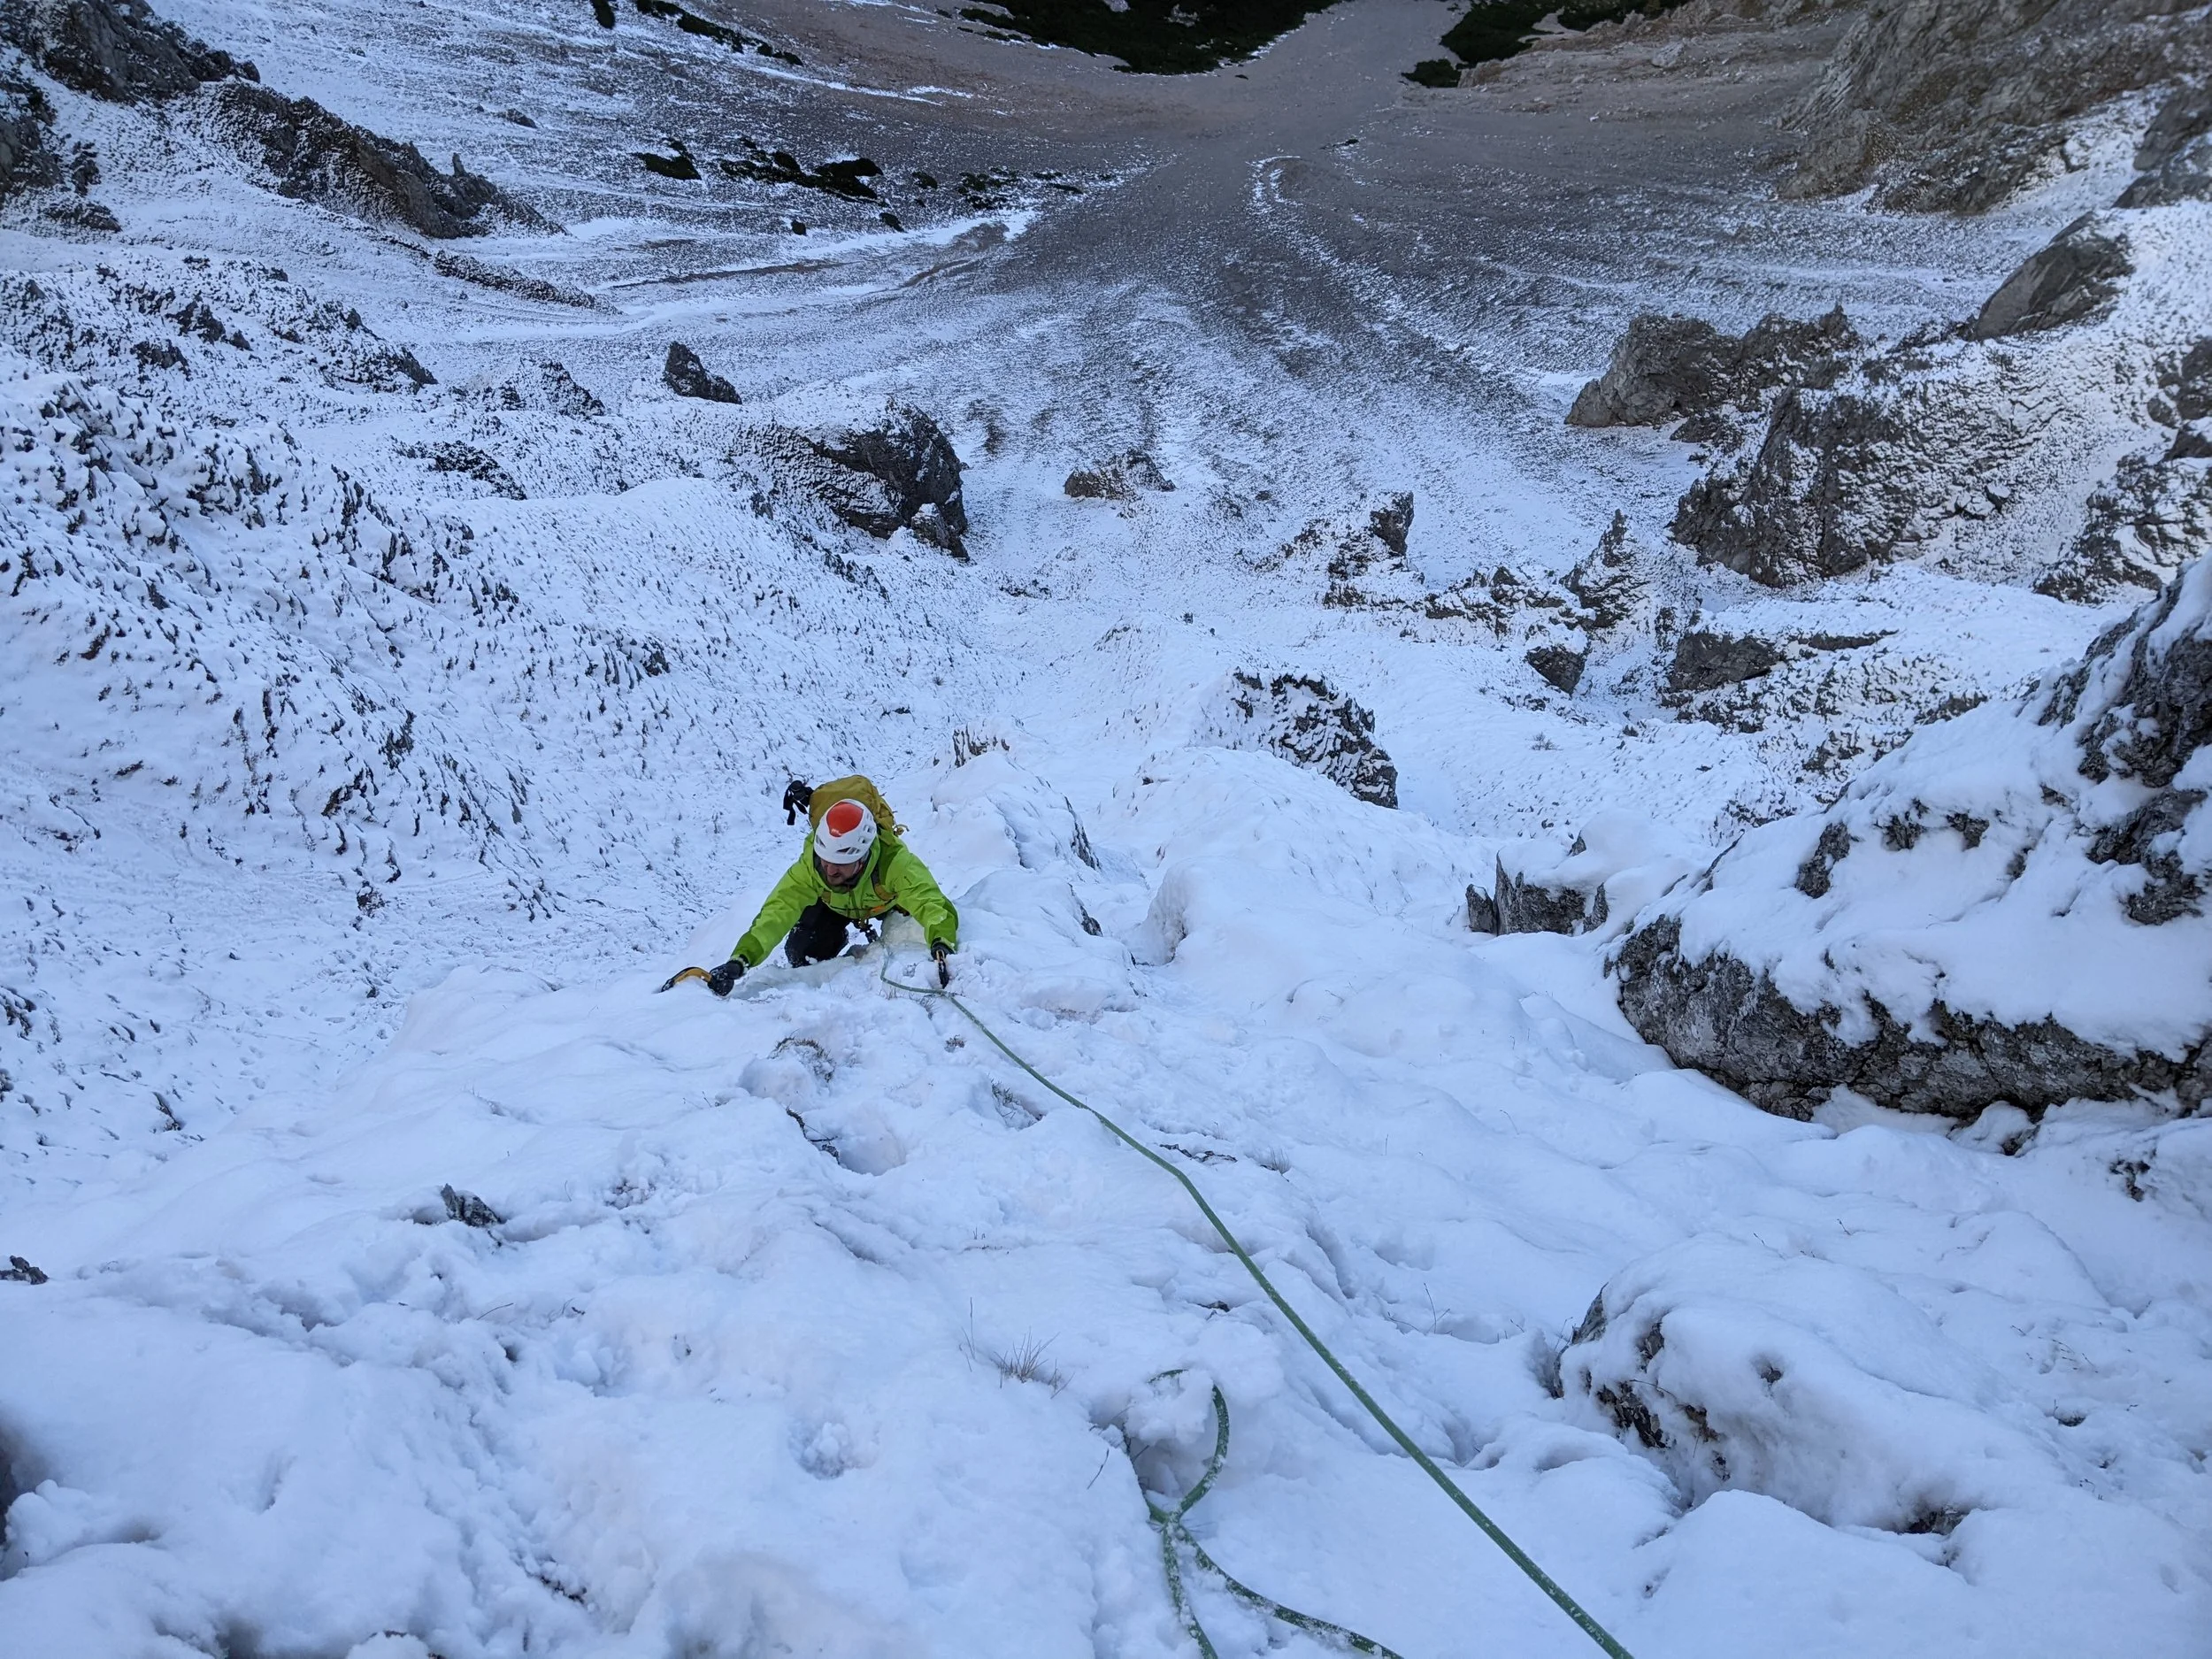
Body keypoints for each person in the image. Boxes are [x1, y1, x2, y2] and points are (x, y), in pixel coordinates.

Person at [705, 781, 957, 994]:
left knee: (906, 924)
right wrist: (741, 959)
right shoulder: (811, 867)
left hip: (886, 904)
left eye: (840, 864)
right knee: (800, 952)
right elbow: (778, 911)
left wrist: (941, 943)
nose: (829, 870)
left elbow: (931, 902)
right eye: (825, 861)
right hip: (835, 907)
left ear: (863, 858)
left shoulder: (894, 863)